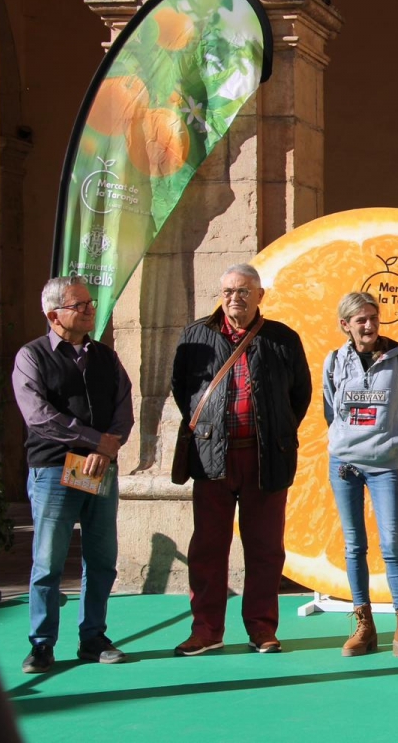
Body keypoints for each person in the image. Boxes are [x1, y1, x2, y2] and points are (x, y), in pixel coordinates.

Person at [170, 264, 311, 656]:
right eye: (230, 290)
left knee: (265, 548)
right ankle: (207, 631)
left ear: (260, 296)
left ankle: (262, 629)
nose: (236, 298)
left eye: (245, 291)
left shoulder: (282, 339)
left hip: (266, 459)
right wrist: (211, 429)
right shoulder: (195, 335)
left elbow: (299, 395)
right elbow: (183, 390)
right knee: (208, 548)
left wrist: (275, 432)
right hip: (213, 458)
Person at [12, 276, 134, 673]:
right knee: (48, 559)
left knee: (101, 557)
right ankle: (42, 643)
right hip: (52, 467)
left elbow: (123, 405)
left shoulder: (105, 356)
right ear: (53, 315)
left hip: (100, 468)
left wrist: (107, 445)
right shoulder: (31, 356)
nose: (89, 310)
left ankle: (93, 637)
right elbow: (39, 416)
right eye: (79, 305)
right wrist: (95, 441)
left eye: (89, 303)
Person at [324, 292, 398, 661]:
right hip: (344, 464)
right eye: (360, 320)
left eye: (373, 317)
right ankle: (364, 626)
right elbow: (330, 408)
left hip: (384, 462)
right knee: (354, 545)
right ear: (346, 325)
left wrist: (397, 446)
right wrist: (344, 441)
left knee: (391, 544)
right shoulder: (335, 361)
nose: (369, 325)